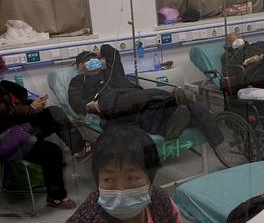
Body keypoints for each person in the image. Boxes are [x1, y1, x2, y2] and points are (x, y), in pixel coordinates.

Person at [0, 48, 89, 209]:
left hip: (12, 131)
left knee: (53, 113)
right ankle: (56, 198)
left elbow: (8, 108)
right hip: (5, 142)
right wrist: (32, 108)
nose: (1, 72)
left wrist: (24, 100)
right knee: (52, 152)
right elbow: (6, 114)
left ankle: (79, 149)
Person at [52, 125, 185, 223]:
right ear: (97, 181)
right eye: (109, 179)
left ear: (150, 180)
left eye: (132, 178)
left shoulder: (163, 202)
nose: (121, 191)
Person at [67, 44, 223, 146]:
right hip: (107, 102)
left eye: (93, 59)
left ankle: (207, 134)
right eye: (88, 62)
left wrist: (99, 53)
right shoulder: (79, 80)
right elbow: (74, 99)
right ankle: (173, 104)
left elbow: (112, 52)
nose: (92, 62)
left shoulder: (111, 71)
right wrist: (87, 105)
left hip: (133, 95)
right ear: (81, 68)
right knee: (155, 98)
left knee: (158, 102)